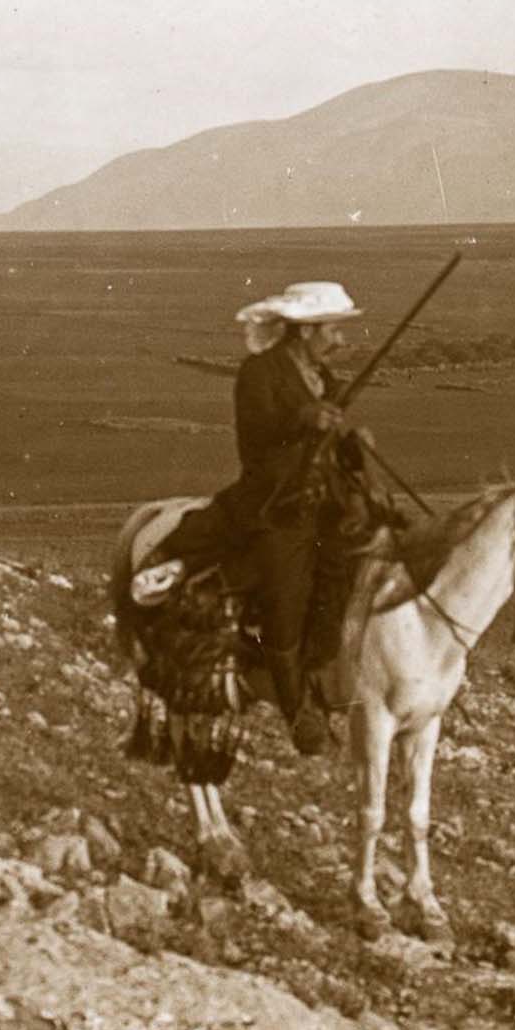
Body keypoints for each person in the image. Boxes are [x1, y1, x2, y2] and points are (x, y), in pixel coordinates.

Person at [150, 280, 373, 756]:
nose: (340, 340)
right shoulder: (259, 373)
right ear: (306, 331)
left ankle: (322, 677)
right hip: (274, 503)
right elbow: (256, 435)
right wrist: (303, 420)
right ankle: (296, 713)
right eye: (333, 330)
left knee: (345, 575)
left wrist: (352, 444)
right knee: (285, 595)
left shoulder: (322, 378)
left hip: (319, 502)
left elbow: (326, 445)